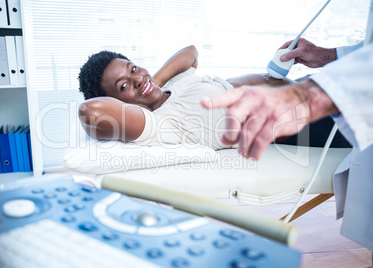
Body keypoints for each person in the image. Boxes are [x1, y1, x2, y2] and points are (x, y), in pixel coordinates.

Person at [202, 1, 373, 255]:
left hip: (341, 101)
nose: (138, 80)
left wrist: (314, 95)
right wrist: (329, 57)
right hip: (330, 91)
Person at [78, 45, 293, 150]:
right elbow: (92, 111)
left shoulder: (171, 86)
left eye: (133, 68)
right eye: (123, 85)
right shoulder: (160, 124)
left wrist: (152, 82)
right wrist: (142, 96)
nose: (137, 79)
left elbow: (191, 53)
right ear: (118, 102)